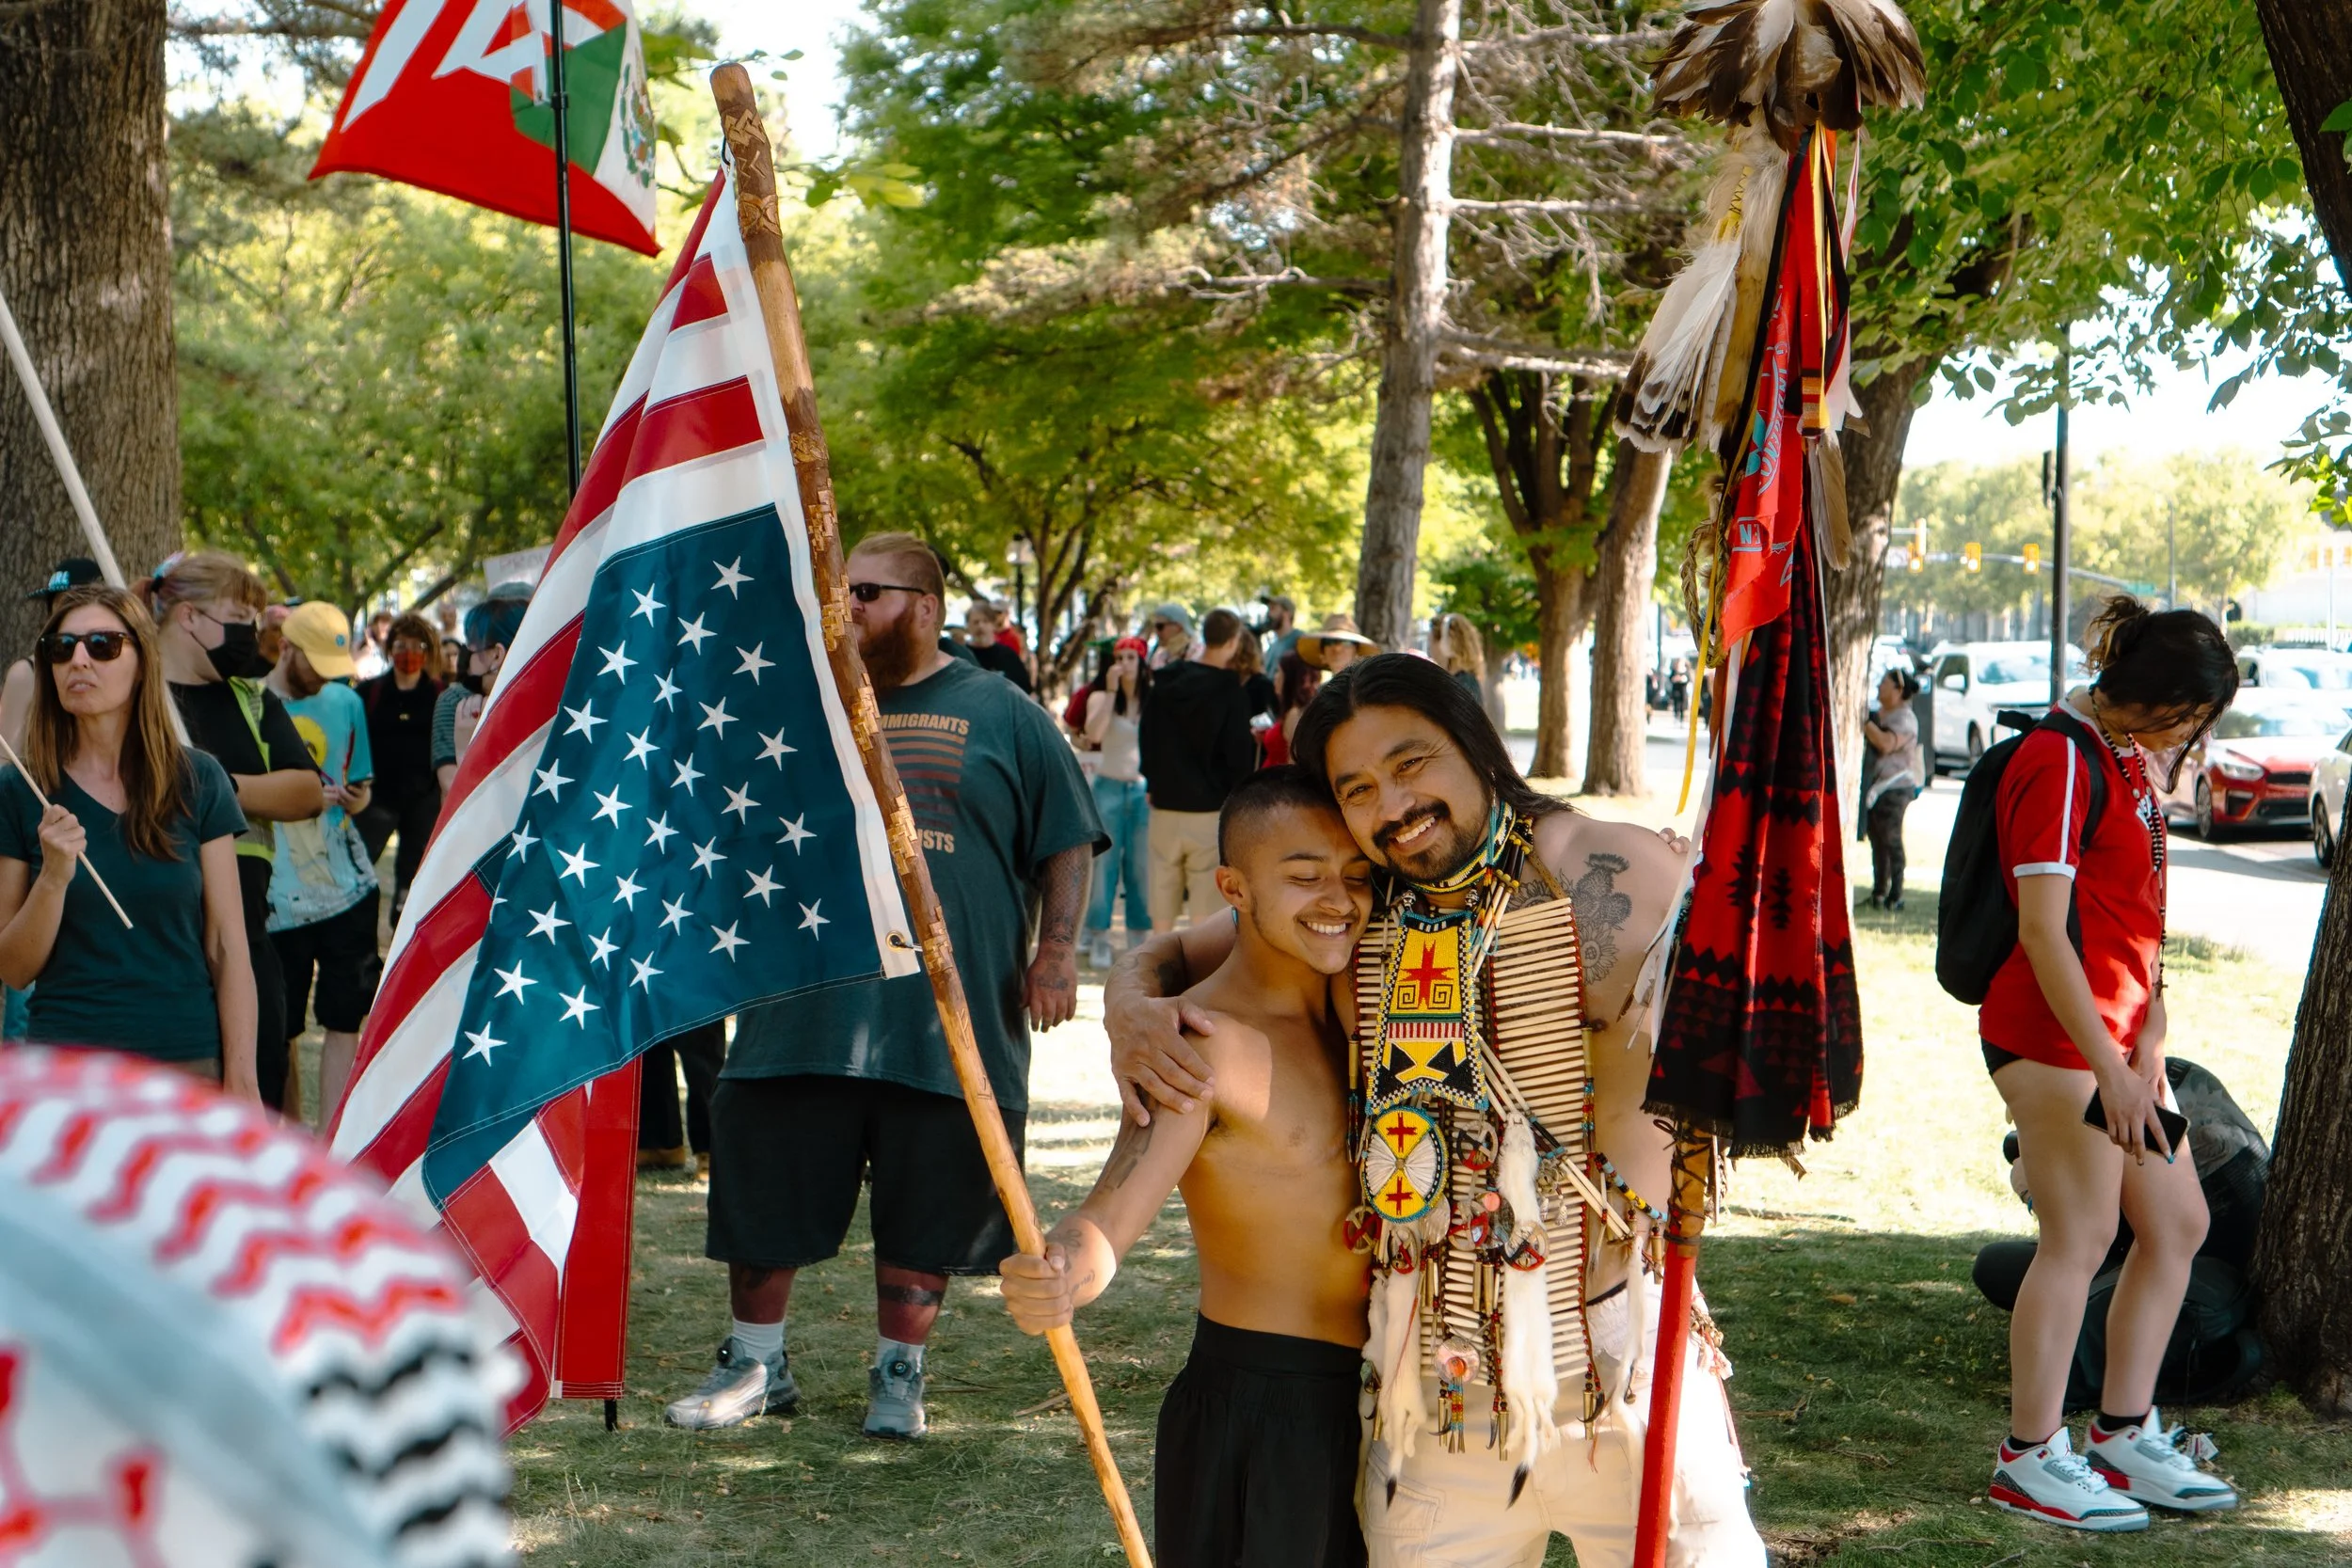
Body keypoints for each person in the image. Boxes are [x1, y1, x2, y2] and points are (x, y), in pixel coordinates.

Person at [1107, 654, 1766, 1568]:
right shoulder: (1356, 905)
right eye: (1358, 789)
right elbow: (1176, 951)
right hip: (1438, 1403)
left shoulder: (1607, 869)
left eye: (1411, 762)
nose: (1393, 804)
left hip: (1623, 1378)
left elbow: (1754, 1013)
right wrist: (1127, 1003)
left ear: (1472, 739)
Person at [666, 531, 1104, 1440]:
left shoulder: (1003, 710)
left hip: (944, 1014)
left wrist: (1057, 950)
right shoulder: (801, 701)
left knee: (930, 1190)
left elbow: (1066, 837)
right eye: (840, 589)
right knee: (767, 1172)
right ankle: (755, 1362)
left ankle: (900, 1372)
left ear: (927, 607)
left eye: (867, 591)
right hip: (802, 1004)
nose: (848, 605)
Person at [1002, 768, 1373, 1568]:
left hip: (1385, 1406)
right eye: (1305, 875)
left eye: (1356, 875)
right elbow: (1112, 1207)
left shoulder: (1365, 995)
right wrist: (1063, 1271)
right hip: (1265, 1413)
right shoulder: (1199, 1041)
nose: (1338, 899)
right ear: (1233, 887)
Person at [1979, 596, 2240, 1530]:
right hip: (2055, 1042)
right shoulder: (2056, 759)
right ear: (2160, 698)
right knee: (2080, 1234)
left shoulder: (2126, 760)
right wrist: (2112, 1069)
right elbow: (2042, 934)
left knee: (2177, 1222)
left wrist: (2149, 1044)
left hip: (2121, 1048)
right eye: (2192, 717)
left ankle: (2122, 1434)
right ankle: (2028, 1455)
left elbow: (2136, 920)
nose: (2193, 736)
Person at [0, 587, 257, 1097]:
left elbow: (227, 946)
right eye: (61, 648)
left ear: (142, 663)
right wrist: (53, 878)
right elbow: (13, 968)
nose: (78, 660)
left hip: (185, 1064)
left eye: (102, 645)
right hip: (67, 1074)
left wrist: (243, 1079)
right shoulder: (19, 790)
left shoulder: (199, 779)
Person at [145, 551, 325, 1114]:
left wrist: (219, 788)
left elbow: (307, 791)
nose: (251, 635)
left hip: (245, 946)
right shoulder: (133, 699)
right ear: (189, 617)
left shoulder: (251, 698)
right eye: (239, 619)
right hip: (156, 955)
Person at [265, 601, 381, 1126]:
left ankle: (330, 1143)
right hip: (276, 895)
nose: (324, 679)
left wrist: (355, 798)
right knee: (281, 1025)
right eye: (315, 665)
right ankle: (289, 1140)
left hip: (347, 887)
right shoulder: (250, 702)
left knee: (344, 1017)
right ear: (285, 648)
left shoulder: (345, 701)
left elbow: (361, 784)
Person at [1139, 609, 1260, 931]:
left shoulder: (1166, 681)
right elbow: (1238, 756)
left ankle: (1158, 960)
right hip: (1209, 810)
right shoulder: (1231, 692)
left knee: (1162, 895)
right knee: (1205, 907)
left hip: (1165, 803)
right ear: (1233, 642)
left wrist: (1152, 780)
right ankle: (1199, 964)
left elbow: (1147, 734)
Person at [355, 611, 445, 918]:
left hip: (424, 800)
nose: (409, 653)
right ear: (390, 648)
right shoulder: (369, 693)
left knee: (414, 878)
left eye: (417, 646)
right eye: (401, 646)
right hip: (377, 797)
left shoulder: (440, 694)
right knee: (360, 867)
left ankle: (402, 929)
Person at [1083, 637, 1153, 970]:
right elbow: (1094, 734)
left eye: (1131, 657)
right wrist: (1111, 691)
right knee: (1104, 867)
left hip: (1143, 790)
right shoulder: (1100, 696)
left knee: (1140, 866)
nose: (1124, 663)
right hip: (1108, 787)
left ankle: (1138, 937)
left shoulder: (1152, 698)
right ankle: (1099, 935)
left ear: (1142, 662)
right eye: (1119, 657)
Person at [0, 557, 106, 756]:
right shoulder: (27, 674)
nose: (65, 619)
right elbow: (4, 760)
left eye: (76, 605)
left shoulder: (120, 671)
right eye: (58, 608)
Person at [433, 582, 533, 793]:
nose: (467, 654)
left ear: (496, 654)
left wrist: (467, 749)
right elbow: (450, 787)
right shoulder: (457, 700)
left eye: (474, 645)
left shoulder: (544, 697)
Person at [1861, 666, 1924, 911]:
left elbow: (1886, 743)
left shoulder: (1904, 719)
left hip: (1896, 787)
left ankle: (1896, 894)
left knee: (1891, 838)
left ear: (1898, 690)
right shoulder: (1883, 714)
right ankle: (1879, 892)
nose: (1879, 687)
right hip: (1878, 787)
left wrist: (1864, 721)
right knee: (1877, 841)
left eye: (1884, 683)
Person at [963, 599, 1035, 694]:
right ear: (968, 626)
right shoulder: (960, 655)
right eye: (976, 622)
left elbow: (1025, 690)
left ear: (993, 625)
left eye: (985, 621)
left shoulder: (1008, 655)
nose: (981, 626)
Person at [1266, 649, 1321, 768]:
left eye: (1278, 672)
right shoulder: (1291, 710)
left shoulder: (1295, 714)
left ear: (1290, 678)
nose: (1275, 677)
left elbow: (1293, 763)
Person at [1295, 612, 1378, 673]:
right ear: (1323, 655)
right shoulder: (1323, 690)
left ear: (1356, 653)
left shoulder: (1365, 689)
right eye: (1330, 642)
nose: (1337, 649)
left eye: (1346, 642)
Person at [1429, 612, 1486, 698]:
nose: (1430, 650)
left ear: (1446, 644)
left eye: (1431, 643)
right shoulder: (1466, 681)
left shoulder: (1459, 686)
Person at [1148, 602, 1196, 670]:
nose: (1156, 631)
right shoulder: (1160, 657)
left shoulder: (1197, 654)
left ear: (1178, 627)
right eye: (1154, 626)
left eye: (1159, 626)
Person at [1260, 594, 1299, 667]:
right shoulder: (1272, 647)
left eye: (1273, 609)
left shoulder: (1299, 640)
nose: (1268, 614)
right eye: (1268, 609)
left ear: (1287, 613)